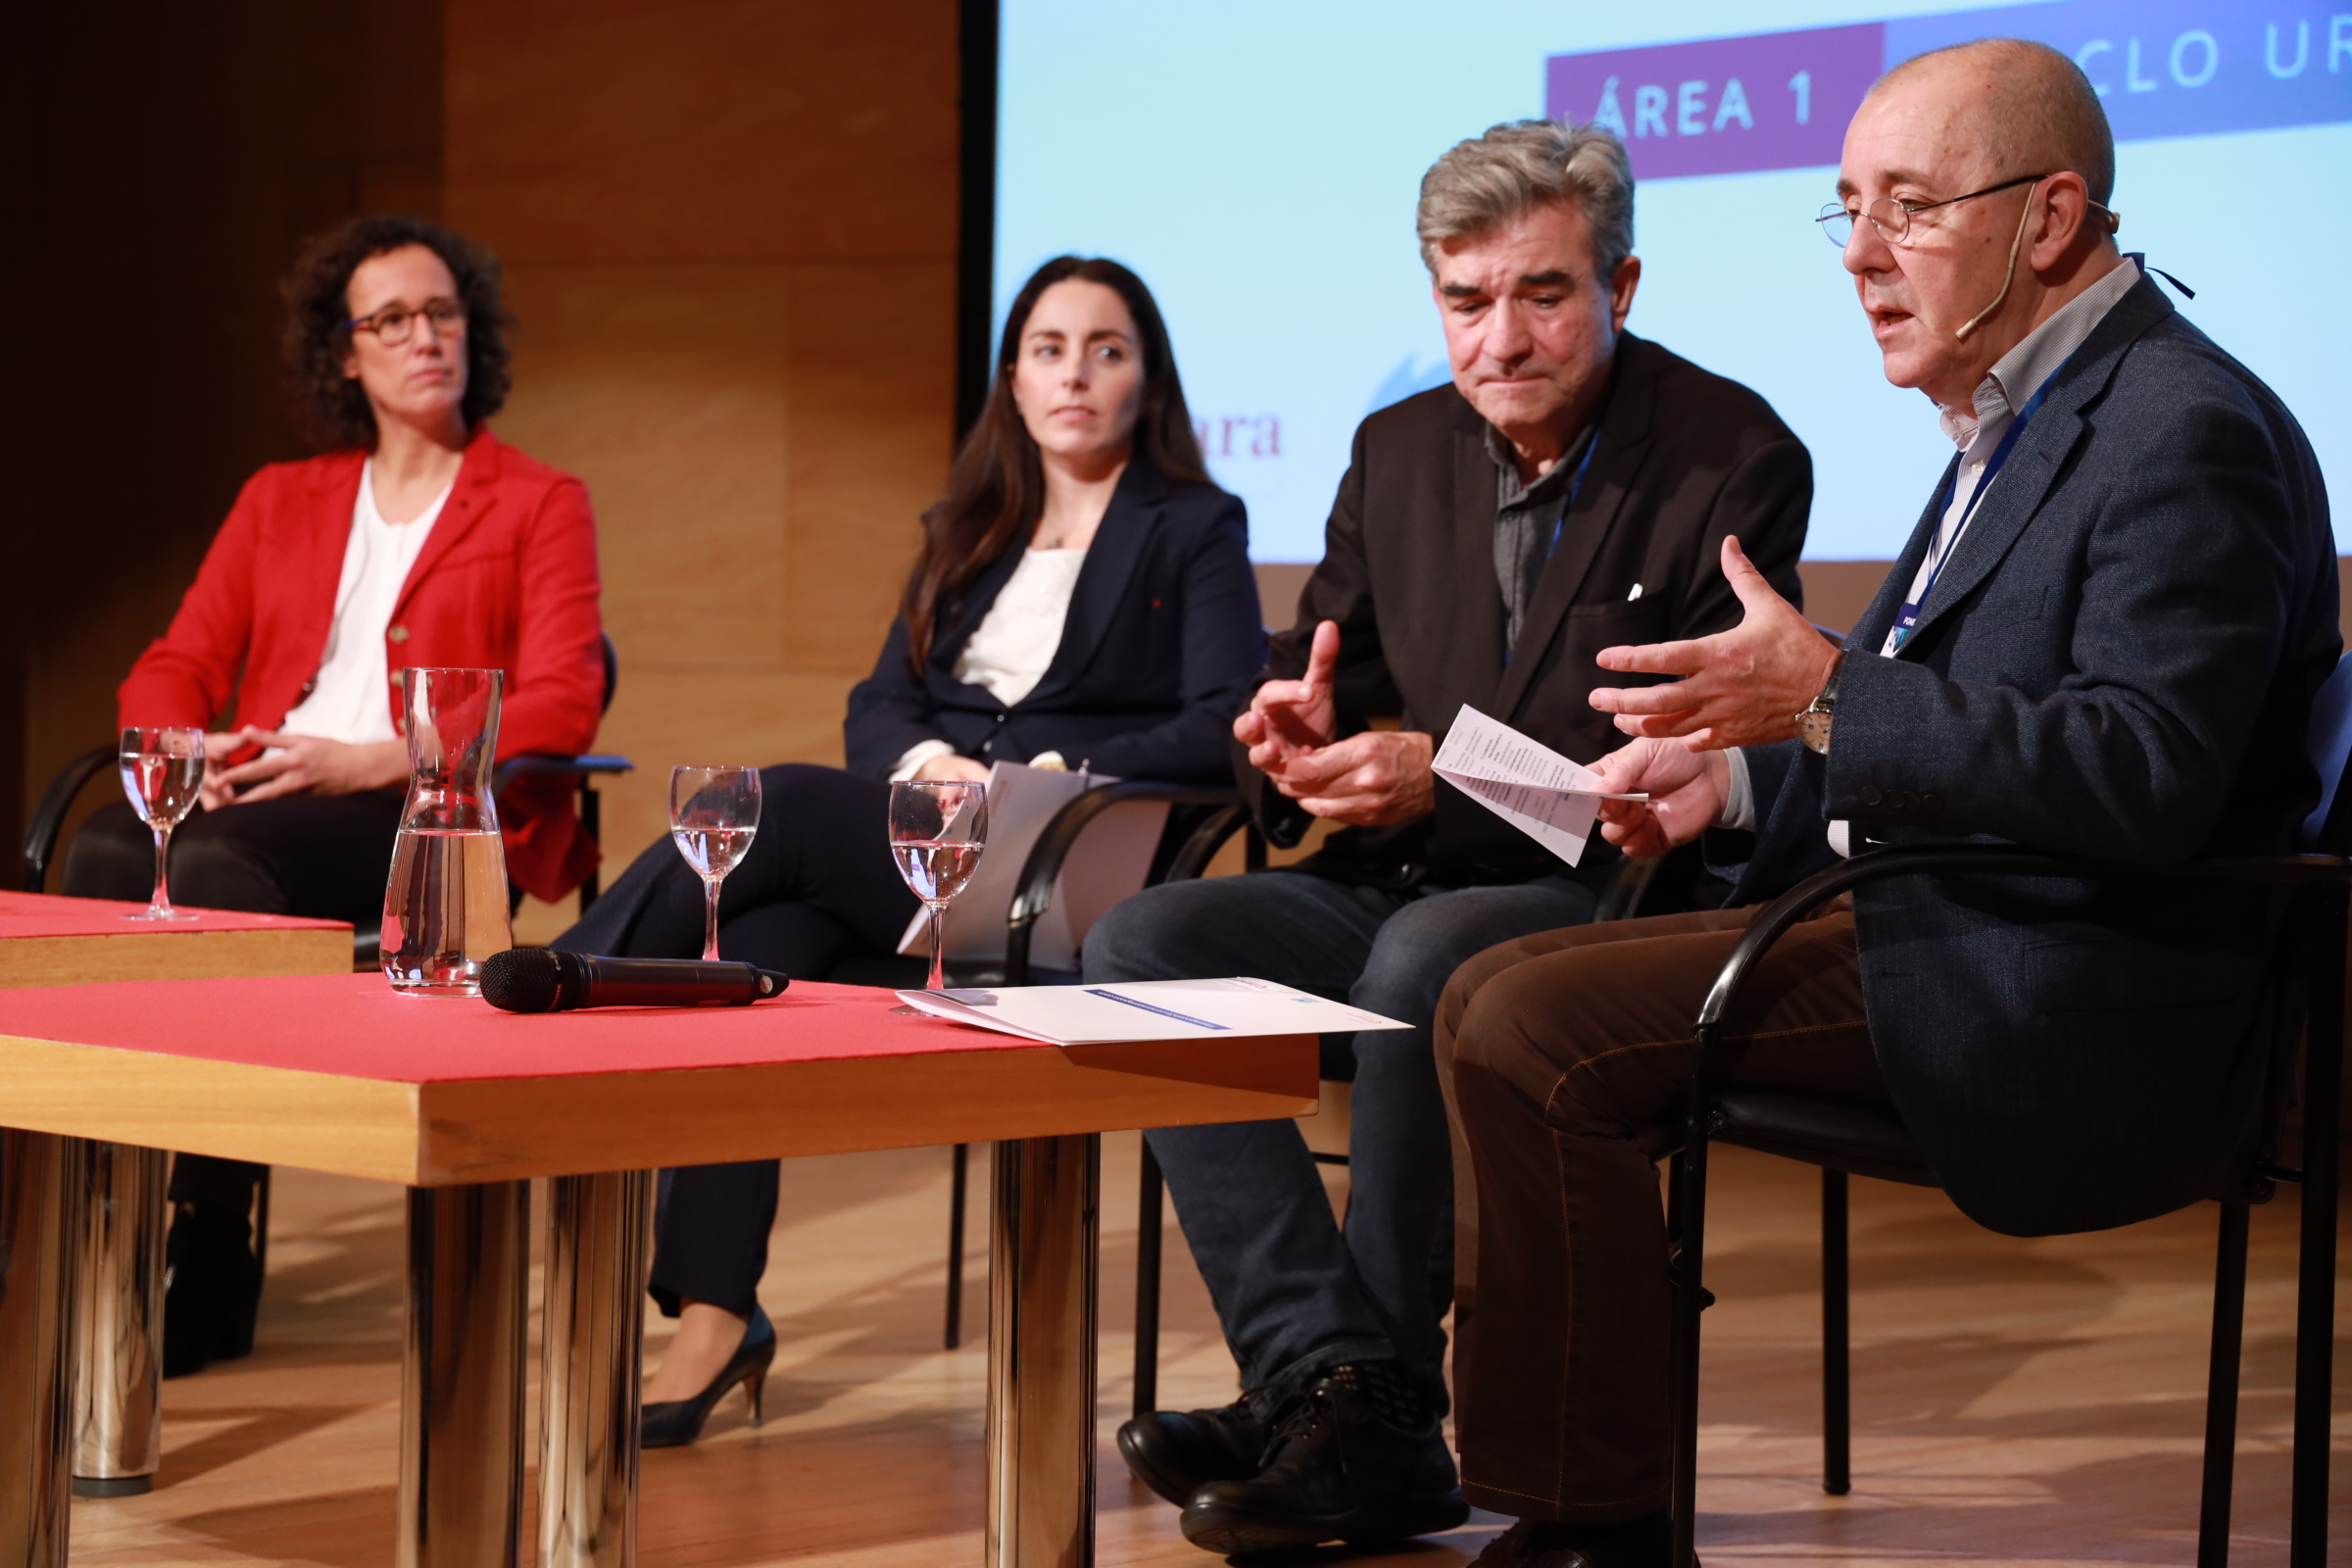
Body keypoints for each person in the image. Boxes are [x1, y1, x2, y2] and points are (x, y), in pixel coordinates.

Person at [1435, 38, 2335, 1568]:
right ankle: (1575, 1493)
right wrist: (1728, 786)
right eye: (1847, 206)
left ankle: (1594, 1522)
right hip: (1955, 915)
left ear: (2048, 220)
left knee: (1528, 1025)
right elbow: (1942, 743)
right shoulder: (2023, 414)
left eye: (1909, 208)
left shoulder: (2177, 427)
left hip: (2069, 982)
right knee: (1488, 991)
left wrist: (1829, 695)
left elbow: (2143, 774)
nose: (1859, 254)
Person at [1082, 122, 1813, 1555]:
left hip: (1600, 898)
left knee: (1423, 959)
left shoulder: (1732, 453)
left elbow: (1677, 764)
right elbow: (1329, 677)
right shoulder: (1394, 446)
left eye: (1542, 294)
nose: (1502, 338)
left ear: (1624, 283)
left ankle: (1375, 1410)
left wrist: (1439, 779)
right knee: (1145, 940)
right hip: (1393, 879)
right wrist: (1289, 743)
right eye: (1466, 301)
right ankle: (1332, 1378)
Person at [554, 256, 1264, 1446]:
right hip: (927, 842)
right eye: (1048, 347)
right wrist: (932, 770)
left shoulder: (1192, 524)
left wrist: (1024, 784)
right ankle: (718, 1316)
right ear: (1014, 376)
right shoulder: (966, 526)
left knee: (769, 804)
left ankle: (557, 983)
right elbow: (878, 701)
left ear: (1149, 377)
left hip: (1056, 866)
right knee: (764, 946)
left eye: (1107, 347)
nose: (1076, 373)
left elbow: (1217, 723)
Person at [64, 215, 607, 1377]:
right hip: (263, 785)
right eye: (393, 320)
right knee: (106, 852)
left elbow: (565, 694)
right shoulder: (282, 497)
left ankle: (213, 1228)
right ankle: (81, 1216)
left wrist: (386, 758)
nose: (426, 338)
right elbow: (174, 656)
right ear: (345, 354)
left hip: (419, 820)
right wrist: (187, 744)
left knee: (214, 876)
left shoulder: (536, 500)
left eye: (443, 313)